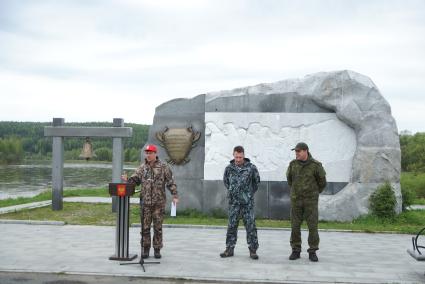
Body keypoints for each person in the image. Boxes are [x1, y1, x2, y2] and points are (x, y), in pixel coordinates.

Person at [122, 144, 178, 259]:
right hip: (145, 204)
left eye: (150, 153)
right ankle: (146, 249)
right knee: (145, 228)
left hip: (159, 203)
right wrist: (127, 180)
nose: (148, 154)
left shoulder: (163, 167)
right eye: (146, 153)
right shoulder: (142, 168)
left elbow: (170, 182)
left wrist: (175, 195)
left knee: (158, 228)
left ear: (155, 154)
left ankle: (157, 249)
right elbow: (134, 181)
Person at [286, 142, 326, 262]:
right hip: (296, 201)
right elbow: (289, 180)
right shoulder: (293, 165)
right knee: (295, 226)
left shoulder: (316, 165)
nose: (296, 153)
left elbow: (322, 183)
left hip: (311, 202)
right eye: (295, 151)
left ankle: (312, 251)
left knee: (313, 227)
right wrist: (296, 192)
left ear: (305, 151)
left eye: (298, 151)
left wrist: (313, 193)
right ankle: (296, 250)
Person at [220, 145, 261, 260]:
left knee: (250, 226)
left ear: (244, 156)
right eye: (236, 157)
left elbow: (256, 183)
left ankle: (253, 250)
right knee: (232, 226)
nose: (238, 160)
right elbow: (226, 182)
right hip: (233, 203)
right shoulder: (229, 168)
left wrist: (247, 194)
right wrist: (233, 192)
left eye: (240, 157)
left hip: (247, 204)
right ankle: (229, 249)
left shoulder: (251, 168)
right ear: (233, 155)